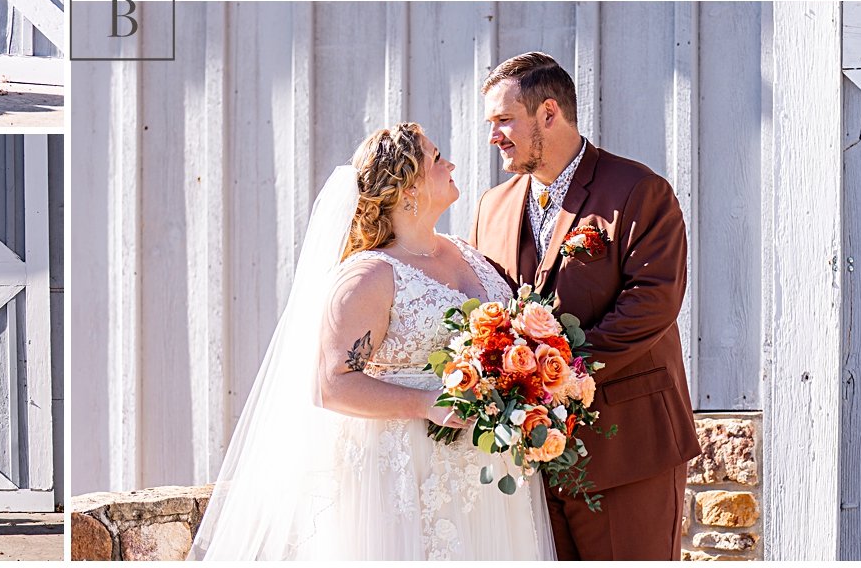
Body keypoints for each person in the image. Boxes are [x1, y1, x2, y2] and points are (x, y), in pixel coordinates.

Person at [192, 123, 553, 560]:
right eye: (437, 158)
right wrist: (427, 404)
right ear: (407, 188)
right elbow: (330, 384)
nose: (451, 164)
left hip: (487, 472)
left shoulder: (466, 252)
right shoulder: (370, 275)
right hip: (410, 472)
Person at [472, 52, 698, 561]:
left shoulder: (640, 191)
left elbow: (651, 303)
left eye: (504, 120)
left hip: (629, 450)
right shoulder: (492, 207)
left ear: (549, 113)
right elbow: (483, 304)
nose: (494, 136)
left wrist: (556, 375)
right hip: (530, 463)